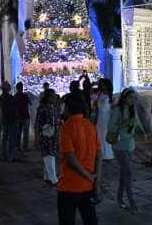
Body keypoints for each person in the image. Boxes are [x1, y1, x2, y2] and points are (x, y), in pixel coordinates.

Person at [57, 93, 102, 225]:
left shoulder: (66, 127)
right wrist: (96, 183)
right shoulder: (90, 126)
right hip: (88, 186)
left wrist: (89, 176)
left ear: (67, 108)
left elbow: (70, 159)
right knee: (90, 220)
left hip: (69, 185)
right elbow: (99, 156)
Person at [108, 88, 142, 213]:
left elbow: (137, 125)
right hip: (119, 145)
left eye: (134, 98)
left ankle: (119, 199)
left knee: (124, 173)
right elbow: (111, 128)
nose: (132, 100)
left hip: (129, 145)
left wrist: (142, 131)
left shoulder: (132, 110)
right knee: (128, 173)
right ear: (124, 97)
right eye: (130, 97)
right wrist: (124, 123)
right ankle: (132, 203)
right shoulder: (117, 111)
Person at [35, 89, 60, 185]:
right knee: (49, 155)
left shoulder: (53, 107)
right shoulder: (42, 108)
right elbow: (38, 123)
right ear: (48, 97)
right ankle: (53, 179)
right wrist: (37, 136)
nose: (55, 98)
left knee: (50, 155)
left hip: (54, 136)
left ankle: (47, 176)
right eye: (53, 96)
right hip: (46, 136)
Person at [95, 78, 114, 160]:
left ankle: (106, 153)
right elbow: (97, 108)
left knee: (104, 134)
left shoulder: (110, 95)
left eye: (103, 84)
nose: (101, 86)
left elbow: (111, 108)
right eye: (101, 84)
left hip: (106, 118)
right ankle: (100, 153)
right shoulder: (100, 94)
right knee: (99, 134)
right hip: (100, 118)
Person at [0, 81, 18, 162]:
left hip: (5, 120)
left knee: (4, 139)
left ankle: (4, 156)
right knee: (11, 139)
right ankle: (10, 156)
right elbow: (13, 109)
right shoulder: (10, 98)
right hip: (11, 120)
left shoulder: (1, 98)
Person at [15, 82, 31, 152]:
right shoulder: (24, 95)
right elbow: (30, 103)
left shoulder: (15, 96)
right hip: (25, 116)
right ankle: (25, 147)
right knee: (25, 133)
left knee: (18, 133)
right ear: (22, 88)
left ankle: (18, 146)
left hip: (18, 117)